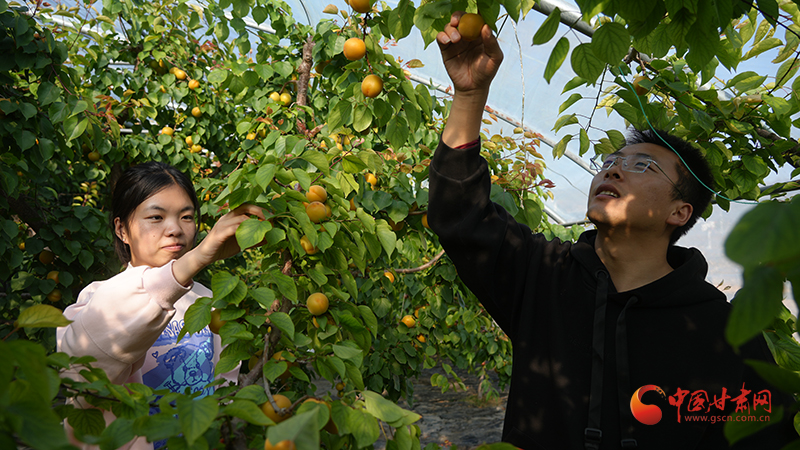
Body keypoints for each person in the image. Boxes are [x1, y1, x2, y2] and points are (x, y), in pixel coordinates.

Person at [428, 12, 796, 450]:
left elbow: (763, 435)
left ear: (680, 212)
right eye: (610, 163)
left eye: (642, 165)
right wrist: (470, 96)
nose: (615, 170)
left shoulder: (723, 328)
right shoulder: (544, 276)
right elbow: (459, 215)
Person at [57, 161, 265, 450]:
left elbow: (222, 391)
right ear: (122, 229)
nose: (175, 229)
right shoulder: (95, 300)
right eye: (156, 217)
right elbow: (81, 376)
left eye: (186, 217)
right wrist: (197, 258)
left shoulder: (211, 304)